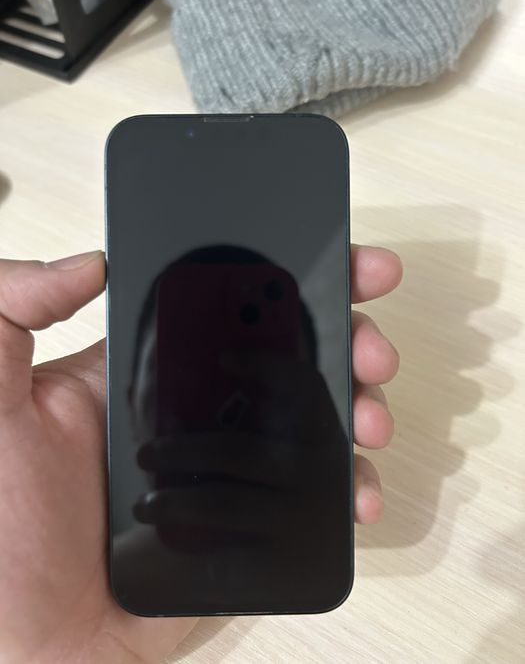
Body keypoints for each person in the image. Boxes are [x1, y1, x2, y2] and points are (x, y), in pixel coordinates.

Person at [0, 244, 402, 664]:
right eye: (184, 369)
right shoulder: (108, 577)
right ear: (130, 401)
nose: (214, 399)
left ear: (313, 398)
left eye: (255, 374)